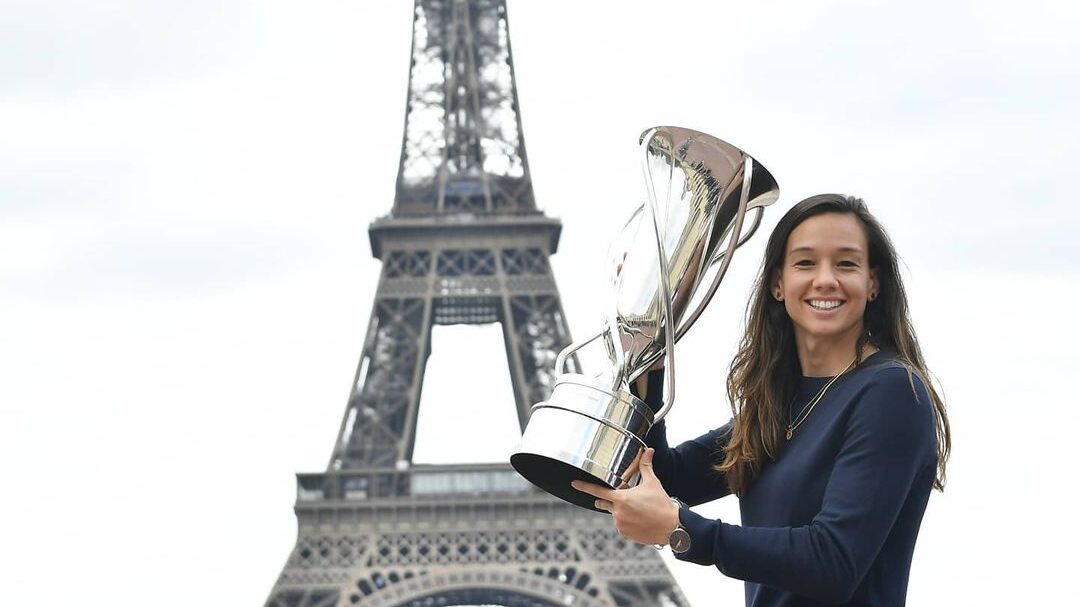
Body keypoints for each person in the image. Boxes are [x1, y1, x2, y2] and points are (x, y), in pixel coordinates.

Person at [571, 194, 951, 607]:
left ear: (872, 283)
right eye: (805, 263)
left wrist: (684, 532)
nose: (825, 279)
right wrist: (648, 346)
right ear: (777, 283)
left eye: (846, 263)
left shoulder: (892, 393)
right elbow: (667, 476)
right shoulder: (780, 404)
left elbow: (834, 561)